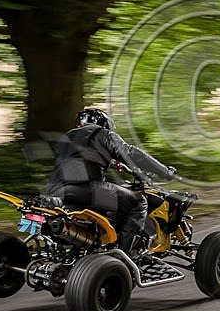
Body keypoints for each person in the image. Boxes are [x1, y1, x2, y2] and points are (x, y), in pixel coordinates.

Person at [44, 108, 176, 256]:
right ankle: (126, 255)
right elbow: (131, 153)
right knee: (138, 202)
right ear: (104, 123)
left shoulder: (68, 136)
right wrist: (164, 171)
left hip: (55, 190)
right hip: (84, 188)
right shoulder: (103, 134)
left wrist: (114, 163)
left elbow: (80, 158)